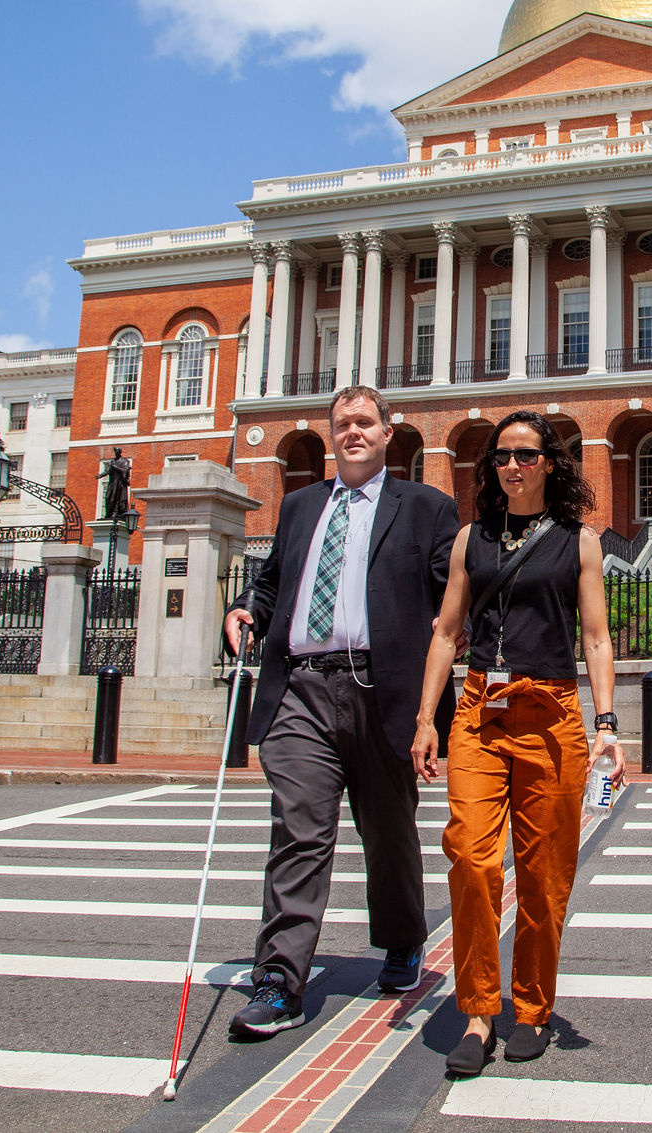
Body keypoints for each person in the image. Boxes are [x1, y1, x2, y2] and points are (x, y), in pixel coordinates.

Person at [220, 385, 459, 1038]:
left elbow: (454, 588)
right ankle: (280, 979)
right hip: (302, 687)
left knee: (388, 831)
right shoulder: (300, 507)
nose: (352, 431)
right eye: (342, 423)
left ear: (388, 432)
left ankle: (405, 937)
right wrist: (247, 608)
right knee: (299, 829)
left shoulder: (427, 507)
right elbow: (273, 580)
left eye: (364, 421)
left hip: (384, 689)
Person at [410, 411, 623, 1077]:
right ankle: (477, 1009)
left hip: (551, 711)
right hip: (480, 709)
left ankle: (530, 1005)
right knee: (472, 859)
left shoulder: (578, 542)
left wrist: (607, 724)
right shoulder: (470, 538)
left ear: (549, 463)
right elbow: (447, 631)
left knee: (544, 874)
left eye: (526, 454)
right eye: (502, 454)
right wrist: (425, 718)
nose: (512, 464)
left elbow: (595, 636)